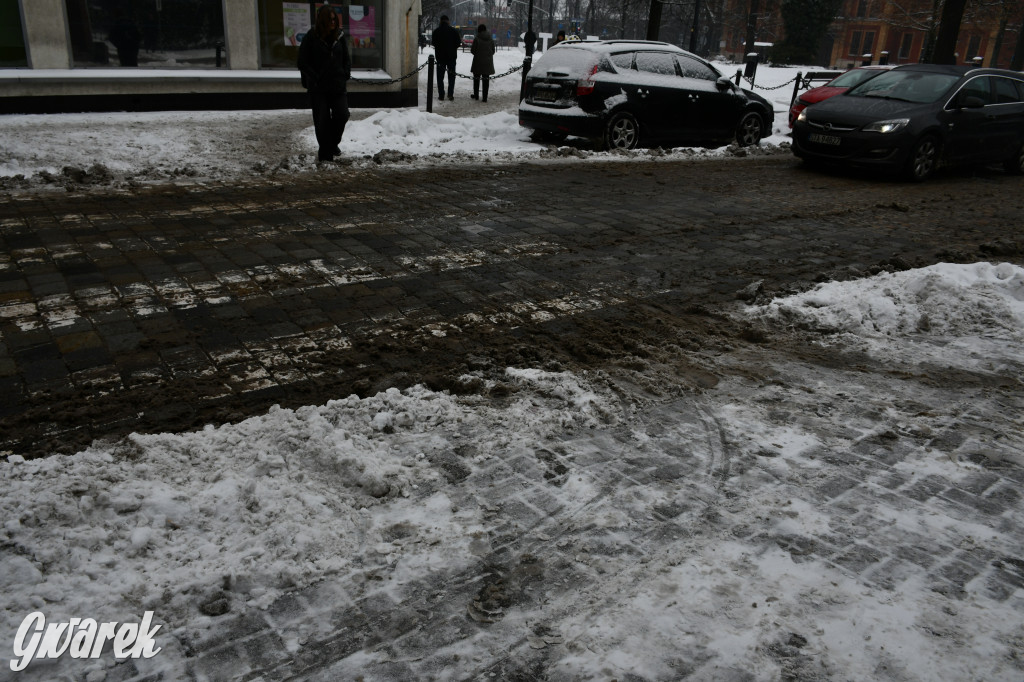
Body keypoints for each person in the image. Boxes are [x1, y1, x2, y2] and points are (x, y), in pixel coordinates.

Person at [297, 5, 352, 162]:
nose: (333, 22)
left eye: (335, 19)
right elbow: (302, 62)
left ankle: (332, 143)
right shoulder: (311, 37)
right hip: (318, 88)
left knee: (342, 114)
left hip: (337, 85)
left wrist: (345, 73)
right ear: (323, 20)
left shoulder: (339, 37)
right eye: (330, 19)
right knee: (322, 121)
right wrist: (315, 77)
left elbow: (346, 59)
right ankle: (325, 154)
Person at [431, 15, 460, 101]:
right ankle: (450, 94)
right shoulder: (454, 31)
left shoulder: (436, 31)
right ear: (448, 21)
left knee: (440, 77)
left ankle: (441, 95)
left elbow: (434, 43)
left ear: (441, 21)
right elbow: (458, 43)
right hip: (451, 57)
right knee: (451, 77)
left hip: (440, 57)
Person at [470, 24, 495, 102]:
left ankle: (476, 95)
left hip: (477, 61)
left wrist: (478, 54)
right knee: (486, 80)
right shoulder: (490, 39)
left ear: (479, 30)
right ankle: (485, 97)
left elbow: (472, 50)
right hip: (488, 62)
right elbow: (493, 51)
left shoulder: (477, 38)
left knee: (476, 79)